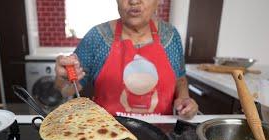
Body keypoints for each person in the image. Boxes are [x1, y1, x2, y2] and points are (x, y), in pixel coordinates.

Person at [55, 0, 198, 119]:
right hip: (105, 134)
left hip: (160, 136)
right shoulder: (97, 37)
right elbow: (67, 89)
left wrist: (184, 99)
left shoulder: (171, 36)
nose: (134, 1)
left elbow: (180, 78)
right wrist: (64, 79)